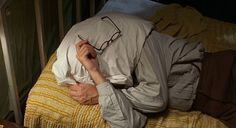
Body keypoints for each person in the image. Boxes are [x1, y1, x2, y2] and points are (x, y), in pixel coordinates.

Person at [52, 12, 204, 128]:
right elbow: (130, 123)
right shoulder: (128, 75)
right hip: (213, 102)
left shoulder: (141, 39)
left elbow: (156, 98)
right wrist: (98, 78)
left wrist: (99, 91)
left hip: (217, 75)